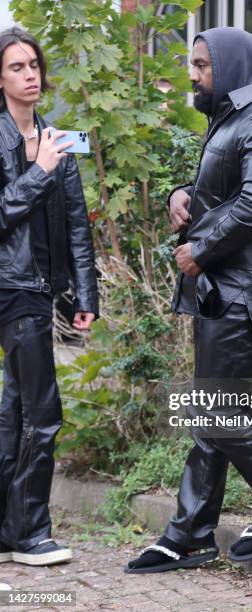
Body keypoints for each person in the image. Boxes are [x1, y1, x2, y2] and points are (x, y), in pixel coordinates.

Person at [126, 26, 252, 574]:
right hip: (227, 291)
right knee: (212, 412)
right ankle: (189, 534)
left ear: (230, 67)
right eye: (193, 64)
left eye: (201, 65)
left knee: (216, 413)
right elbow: (228, 189)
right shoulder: (234, 119)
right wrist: (180, 196)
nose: (192, 74)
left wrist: (201, 247)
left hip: (243, 294)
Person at [0, 27, 98, 567]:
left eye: (34, 64)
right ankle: (32, 532)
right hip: (10, 289)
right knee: (42, 411)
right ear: (0, 78)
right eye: (17, 66)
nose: (30, 74)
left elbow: (78, 225)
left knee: (16, 410)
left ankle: (11, 529)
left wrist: (84, 292)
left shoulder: (60, 139)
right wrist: (38, 173)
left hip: (42, 291)